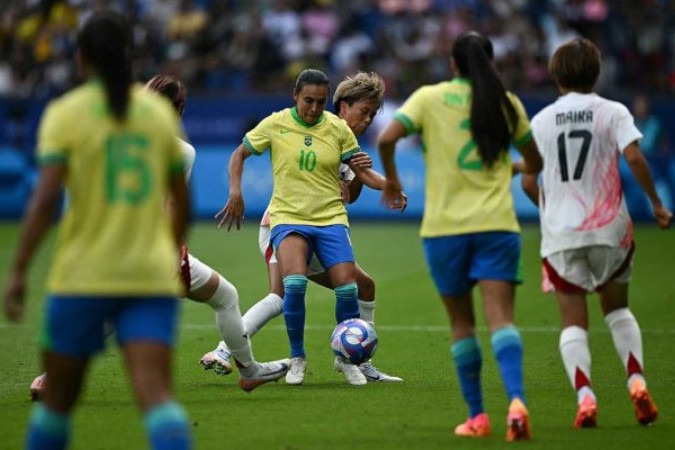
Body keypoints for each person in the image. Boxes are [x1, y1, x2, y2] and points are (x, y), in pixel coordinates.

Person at [27, 75, 291, 401]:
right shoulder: (180, 150)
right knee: (221, 299)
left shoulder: (115, 138)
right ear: (179, 110)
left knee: (119, 310)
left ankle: (50, 376)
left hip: (110, 243)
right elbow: (173, 206)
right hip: (154, 250)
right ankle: (248, 372)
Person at [3, 11, 193, 449]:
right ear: (127, 55)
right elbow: (181, 202)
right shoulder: (159, 117)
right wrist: (167, 252)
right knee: (158, 400)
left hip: (81, 274)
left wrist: (18, 270)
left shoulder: (65, 114)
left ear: (80, 57)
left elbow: (45, 200)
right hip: (146, 275)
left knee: (55, 407)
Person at [377, 31, 543, 441]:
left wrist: (393, 182)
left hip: (445, 229)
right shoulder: (508, 104)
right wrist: (512, 168)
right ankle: (517, 403)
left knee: (462, 325)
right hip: (497, 226)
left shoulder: (429, 98)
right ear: (491, 63)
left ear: (452, 64)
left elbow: (387, 138)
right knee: (501, 319)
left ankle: (478, 417)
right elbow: (535, 159)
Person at [200, 72, 404, 385]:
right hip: (281, 223)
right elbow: (243, 152)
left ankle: (357, 359)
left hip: (321, 225)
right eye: (364, 112)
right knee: (282, 295)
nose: (368, 120)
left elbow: (351, 193)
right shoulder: (299, 126)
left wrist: (360, 185)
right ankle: (226, 350)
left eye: (373, 114)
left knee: (361, 286)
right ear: (342, 106)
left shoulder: (346, 143)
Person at [522, 38, 671, 429]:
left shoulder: (541, 121)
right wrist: (656, 202)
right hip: (610, 228)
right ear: (596, 72)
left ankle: (586, 397)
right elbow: (635, 157)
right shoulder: (613, 111)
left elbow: (527, 178)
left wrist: (546, 200)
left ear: (555, 75)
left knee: (573, 321)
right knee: (618, 310)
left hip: (561, 234)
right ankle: (636, 382)